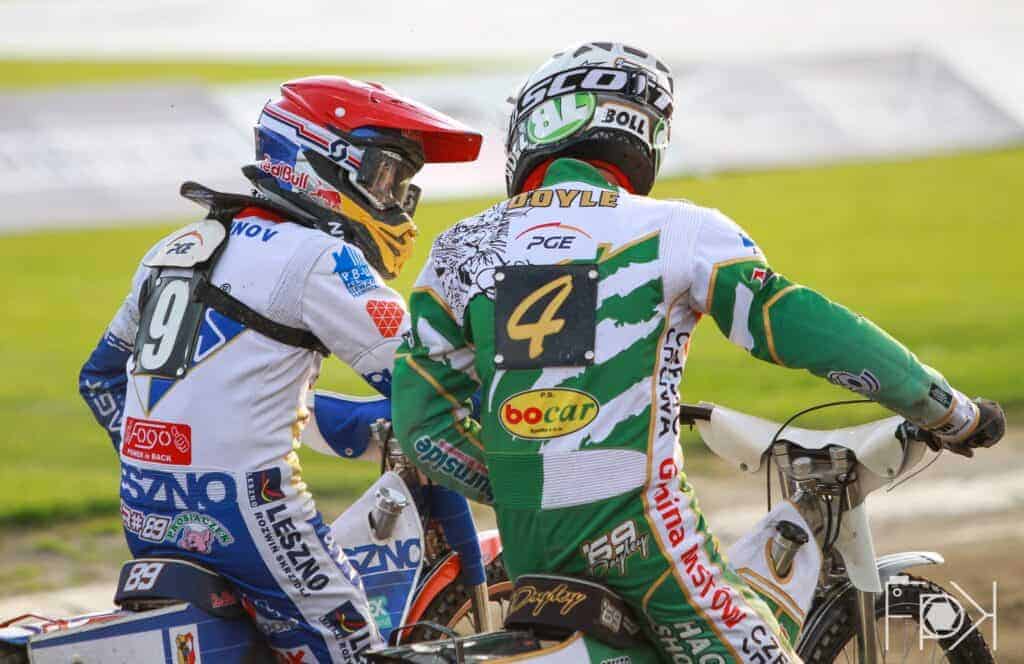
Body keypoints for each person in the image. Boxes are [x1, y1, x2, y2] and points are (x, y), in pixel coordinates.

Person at [391, 43, 1006, 663]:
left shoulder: (458, 246)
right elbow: (803, 328)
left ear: (541, 125)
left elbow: (422, 425)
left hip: (529, 542)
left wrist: (528, 484)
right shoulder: (681, 229)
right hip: (645, 538)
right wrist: (946, 408)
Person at [79, 76, 481, 663]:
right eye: (384, 177)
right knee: (353, 647)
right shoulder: (318, 256)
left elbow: (101, 379)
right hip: (250, 513)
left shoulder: (177, 244)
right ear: (319, 162)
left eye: (402, 186)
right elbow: (426, 377)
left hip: (144, 509)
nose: (395, 202)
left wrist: (166, 464)